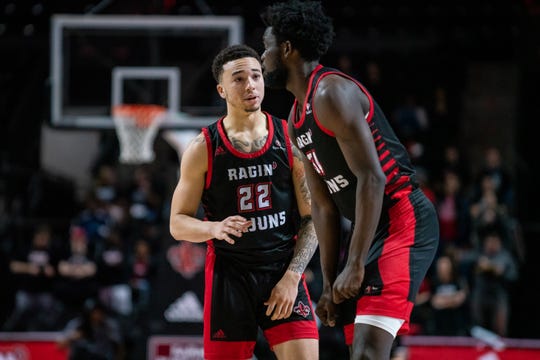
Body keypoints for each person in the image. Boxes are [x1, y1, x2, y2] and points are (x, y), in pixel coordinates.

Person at [260, 1, 439, 358]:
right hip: (368, 229)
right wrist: (328, 282)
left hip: (402, 219)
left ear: (287, 49)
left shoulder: (331, 93)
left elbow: (373, 180)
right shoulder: (297, 117)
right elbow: (324, 206)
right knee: (358, 350)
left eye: (266, 47)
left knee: (368, 353)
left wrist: (355, 264)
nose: (262, 59)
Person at [169, 44, 319, 360]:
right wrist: (214, 227)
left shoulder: (288, 138)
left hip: (281, 270)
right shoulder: (203, 148)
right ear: (221, 89)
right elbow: (178, 223)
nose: (250, 84)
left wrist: (292, 277)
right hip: (230, 275)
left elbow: (312, 219)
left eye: (256, 76)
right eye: (239, 79)